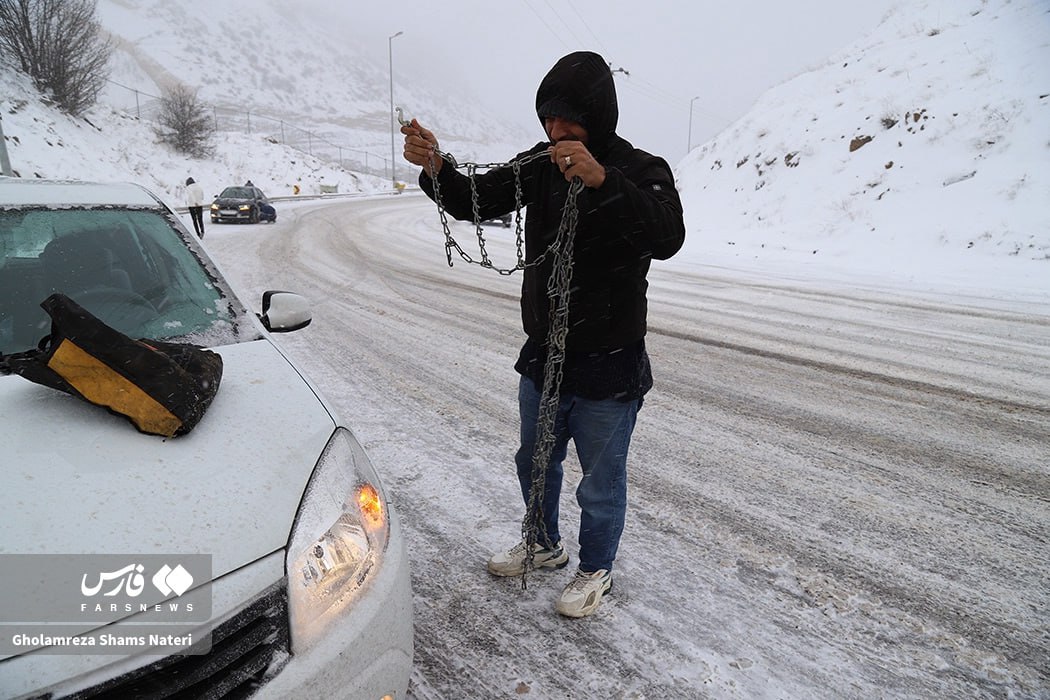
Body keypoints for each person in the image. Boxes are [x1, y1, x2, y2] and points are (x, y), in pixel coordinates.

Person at [401, 51, 685, 618]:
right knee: (534, 459)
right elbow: (474, 199)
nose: (557, 131)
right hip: (545, 352)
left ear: (600, 116)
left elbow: (667, 233)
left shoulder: (642, 168)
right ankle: (543, 544)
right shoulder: (540, 163)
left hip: (610, 358)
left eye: (570, 119)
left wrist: (604, 181)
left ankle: (595, 568)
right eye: (549, 119)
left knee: (600, 482)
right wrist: (436, 167)